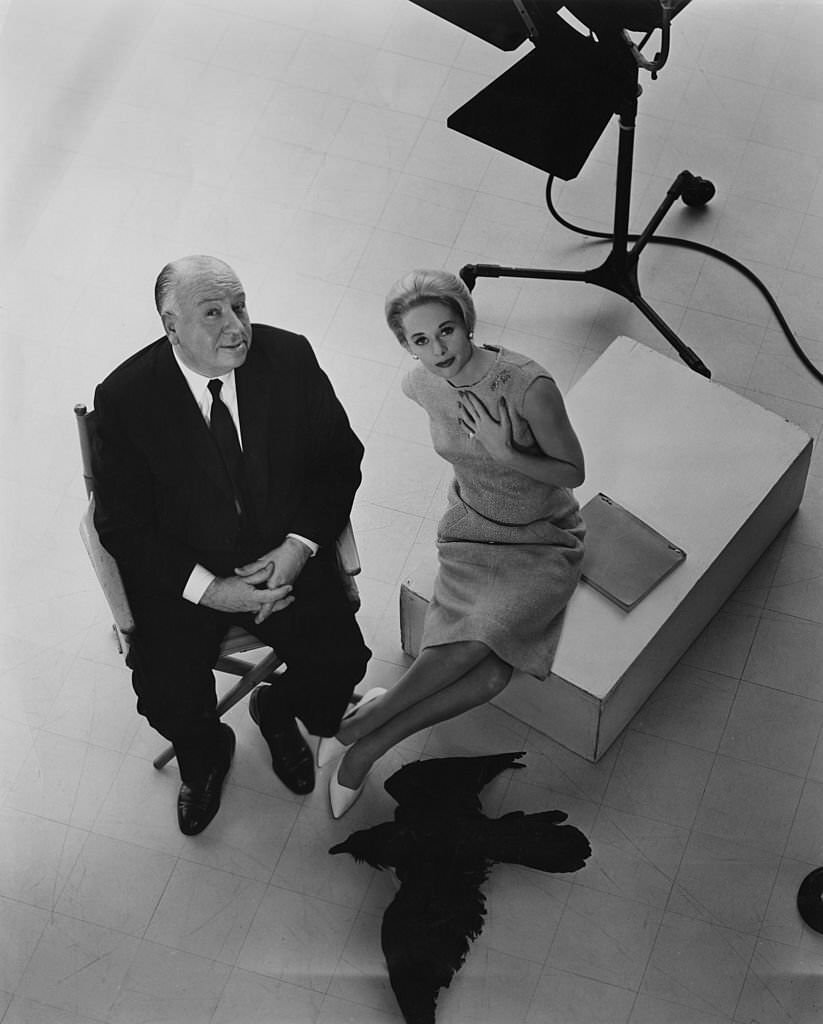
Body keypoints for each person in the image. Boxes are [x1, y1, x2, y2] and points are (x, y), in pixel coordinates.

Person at [92, 255, 371, 835]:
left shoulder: (289, 356)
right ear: (171, 327)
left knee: (342, 664)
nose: (236, 326)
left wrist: (298, 547)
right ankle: (206, 754)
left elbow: (339, 461)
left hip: (280, 556)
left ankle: (277, 707)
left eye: (240, 306)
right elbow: (121, 523)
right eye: (213, 312)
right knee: (166, 696)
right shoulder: (125, 396)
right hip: (186, 570)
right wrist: (213, 591)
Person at [323, 269, 585, 817]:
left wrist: (504, 449)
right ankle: (368, 737)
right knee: (489, 675)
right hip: (471, 529)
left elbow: (573, 472)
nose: (438, 349)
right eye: (419, 340)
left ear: (467, 323)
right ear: (405, 346)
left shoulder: (528, 385)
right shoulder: (420, 383)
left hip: (540, 539)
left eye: (447, 330)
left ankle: (364, 732)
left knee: (477, 641)